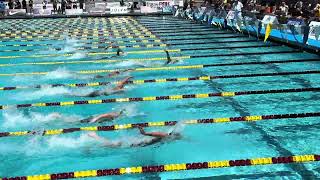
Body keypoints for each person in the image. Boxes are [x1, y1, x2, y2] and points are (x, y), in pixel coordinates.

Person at [88, 126, 182, 147]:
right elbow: (155, 134)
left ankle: (95, 139)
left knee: (113, 145)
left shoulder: (166, 136)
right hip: (138, 143)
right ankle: (94, 136)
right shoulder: (166, 135)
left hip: (140, 143)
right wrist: (144, 133)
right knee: (113, 145)